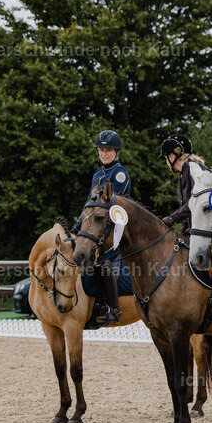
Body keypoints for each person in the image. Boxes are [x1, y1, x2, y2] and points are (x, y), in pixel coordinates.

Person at [160, 134, 212, 330]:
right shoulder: (183, 175)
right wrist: (182, 233)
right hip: (198, 229)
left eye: (166, 157)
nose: (166, 161)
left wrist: (171, 219)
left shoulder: (193, 169)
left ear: (175, 155)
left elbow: (194, 203)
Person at [83, 129, 131, 325]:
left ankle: (114, 309)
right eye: (101, 150)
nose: (104, 154)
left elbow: (112, 203)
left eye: (108, 150)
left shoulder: (119, 174)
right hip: (96, 226)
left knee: (105, 263)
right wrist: (80, 226)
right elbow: (89, 204)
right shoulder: (97, 173)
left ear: (116, 152)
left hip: (116, 225)